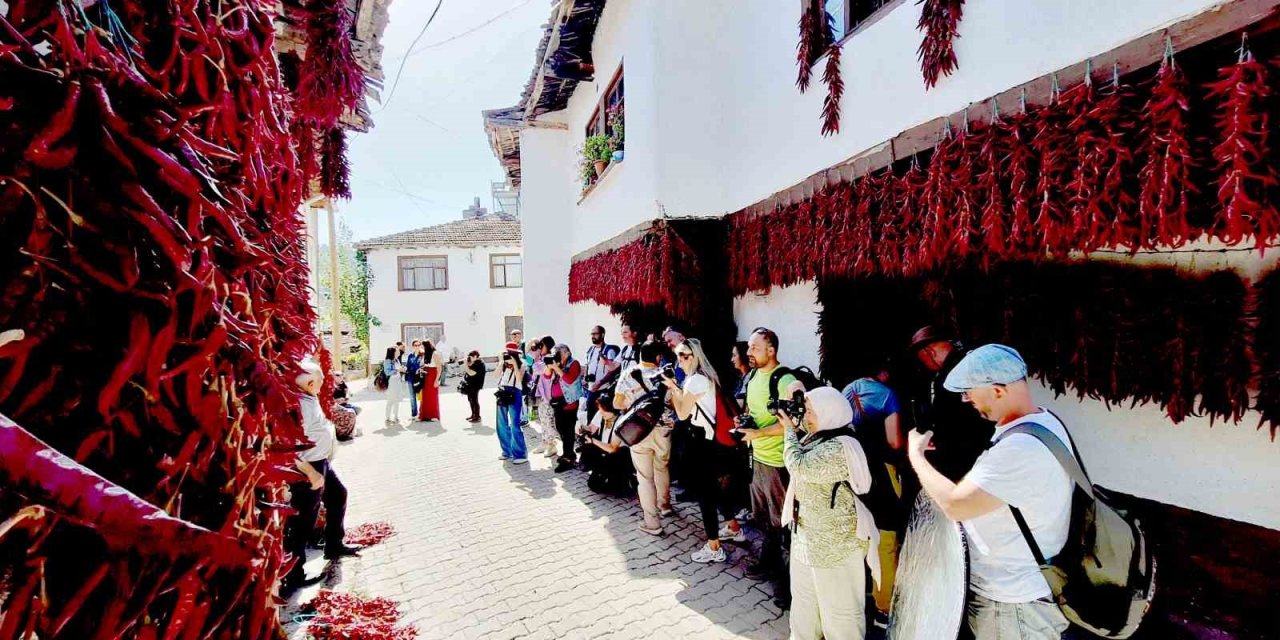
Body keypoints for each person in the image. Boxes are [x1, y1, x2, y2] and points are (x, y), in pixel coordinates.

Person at [907, 344, 1072, 639]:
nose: (966, 399)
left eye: (970, 391)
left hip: (1012, 605)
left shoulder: (1020, 448)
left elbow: (955, 505)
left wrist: (916, 456)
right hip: (1020, 593)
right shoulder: (1045, 422)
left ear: (997, 390)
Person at [780, 386, 881, 640]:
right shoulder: (818, 436)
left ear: (830, 413)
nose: (806, 417)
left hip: (835, 547)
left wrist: (789, 433)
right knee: (804, 610)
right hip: (806, 539)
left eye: (811, 411)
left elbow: (800, 466)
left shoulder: (841, 447)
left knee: (840, 616)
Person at [283, 360, 361, 595]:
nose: (323, 385)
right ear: (309, 382)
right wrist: (309, 471)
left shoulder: (308, 396)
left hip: (321, 462)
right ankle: (293, 576)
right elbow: (287, 446)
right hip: (309, 468)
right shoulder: (298, 404)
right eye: (319, 382)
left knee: (338, 495)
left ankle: (334, 546)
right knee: (303, 521)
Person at [662, 338, 744, 563]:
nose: (681, 360)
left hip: (702, 443)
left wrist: (672, 388)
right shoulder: (702, 377)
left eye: (685, 355)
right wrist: (677, 388)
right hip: (711, 442)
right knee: (715, 491)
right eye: (678, 355)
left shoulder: (695, 380)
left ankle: (714, 546)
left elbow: (681, 414)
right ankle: (734, 528)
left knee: (705, 495)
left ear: (695, 356)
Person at [738, 327, 801, 608]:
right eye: (749, 348)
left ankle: (790, 588)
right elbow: (753, 412)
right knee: (764, 519)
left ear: (771, 349)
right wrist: (746, 423)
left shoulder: (784, 379)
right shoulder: (752, 376)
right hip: (757, 459)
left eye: (754, 347)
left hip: (778, 463)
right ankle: (769, 563)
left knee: (784, 525)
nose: (749, 352)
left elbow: (794, 422)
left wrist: (758, 435)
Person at [841, 360, 905, 618]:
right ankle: (884, 604)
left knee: (859, 533)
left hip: (853, 470)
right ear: (884, 371)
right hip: (882, 473)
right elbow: (894, 440)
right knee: (886, 538)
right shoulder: (887, 395)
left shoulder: (846, 390)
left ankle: (858, 594)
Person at [907, 326, 995, 481]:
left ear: (930, 353)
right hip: (996, 447)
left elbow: (949, 422)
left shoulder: (949, 378)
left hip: (974, 463)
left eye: (923, 361)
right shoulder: (974, 359)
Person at [613, 340, 677, 535]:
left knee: (645, 477)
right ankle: (665, 506)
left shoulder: (628, 374)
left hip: (639, 431)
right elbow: (675, 403)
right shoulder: (665, 376)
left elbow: (617, 403)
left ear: (640, 355)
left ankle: (652, 523)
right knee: (662, 468)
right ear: (658, 357)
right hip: (664, 430)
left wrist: (633, 401)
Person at [545, 343, 584, 473]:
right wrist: (549, 366)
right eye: (554, 352)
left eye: (558, 352)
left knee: (568, 431)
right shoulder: (558, 363)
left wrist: (556, 367)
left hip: (569, 403)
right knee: (560, 428)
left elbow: (569, 379)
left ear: (567, 353)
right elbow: (546, 376)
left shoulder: (574, 364)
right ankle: (569, 453)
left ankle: (568, 458)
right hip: (558, 402)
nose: (556, 355)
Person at [495, 343, 528, 464]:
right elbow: (495, 375)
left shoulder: (522, 363)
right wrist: (501, 363)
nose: (507, 356)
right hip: (502, 391)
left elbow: (519, 379)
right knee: (501, 424)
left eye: (510, 354)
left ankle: (520, 454)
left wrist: (514, 364)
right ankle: (506, 451)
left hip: (515, 392)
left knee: (514, 424)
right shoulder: (503, 364)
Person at [530, 337, 559, 457]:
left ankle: (552, 446)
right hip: (541, 394)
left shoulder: (551, 359)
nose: (539, 348)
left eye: (541, 345)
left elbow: (538, 369)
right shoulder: (540, 358)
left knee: (548, 420)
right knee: (542, 420)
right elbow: (528, 357)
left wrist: (536, 357)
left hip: (548, 395)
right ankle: (544, 442)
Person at [582, 326, 616, 422]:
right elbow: (587, 365)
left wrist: (600, 383)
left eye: (595, 334)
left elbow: (612, 370)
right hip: (591, 389)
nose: (593, 336)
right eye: (592, 334)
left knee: (603, 418)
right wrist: (585, 377)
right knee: (591, 416)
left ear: (602, 335)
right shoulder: (590, 350)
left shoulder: (609, 351)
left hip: (604, 389)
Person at [417, 339, 444, 423]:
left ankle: (433, 415)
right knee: (425, 396)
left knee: (433, 396)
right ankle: (424, 415)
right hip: (426, 376)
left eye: (423, 346)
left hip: (432, 376)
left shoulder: (435, 354)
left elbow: (439, 368)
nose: (422, 348)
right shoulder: (425, 354)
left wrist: (437, 380)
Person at [382, 346, 408, 425]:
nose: (399, 352)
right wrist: (397, 370)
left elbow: (398, 369)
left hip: (398, 381)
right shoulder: (388, 361)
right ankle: (387, 417)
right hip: (392, 382)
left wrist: (402, 369)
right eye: (397, 351)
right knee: (391, 400)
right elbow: (387, 372)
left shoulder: (396, 360)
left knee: (397, 399)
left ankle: (396, 416)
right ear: (393, 352)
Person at [462, 350, 487, 423]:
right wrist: (469, 363)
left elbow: (471, 373)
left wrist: (465, 364)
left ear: (475, 356)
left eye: (471, 357)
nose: (470, 358)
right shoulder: (475, 362)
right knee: (470, 399)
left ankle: (477, 416)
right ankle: (473, 415)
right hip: (471, 384)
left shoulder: (479, 363)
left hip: (475, 384)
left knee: (474, 400)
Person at [406, 339, 423, 418]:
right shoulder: (410, 355)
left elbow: (425, 365)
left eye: (418, 345)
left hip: (420, 378)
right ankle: (414, 414)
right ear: (413, 346)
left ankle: (422, 413)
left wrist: (419, 369)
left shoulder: (423, 354)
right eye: (415, 345)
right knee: (412, 397)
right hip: (411, 378)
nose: (417, 347)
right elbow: (408, 366)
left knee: (421, 396)